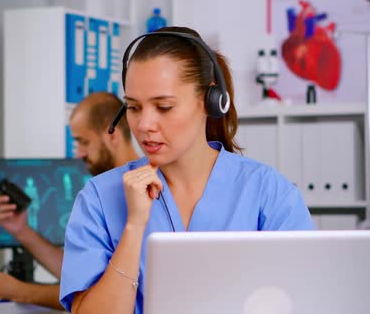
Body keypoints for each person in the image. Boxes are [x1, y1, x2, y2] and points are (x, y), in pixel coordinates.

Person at [59, 27, 315, 314]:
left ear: (209, 102)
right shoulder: (99, 198)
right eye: (133, 107)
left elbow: (306, 299)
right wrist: (134, 226)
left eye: (164, 107)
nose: (144, 125)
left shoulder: (267, 192)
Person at [0, 92, 139, 309]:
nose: (78, 153)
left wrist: (22, 292)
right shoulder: (97, 196)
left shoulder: (144, 193)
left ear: (112, 134)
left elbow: (108, 296)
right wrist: (22, 230)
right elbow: (79, 275)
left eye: (83, 142)